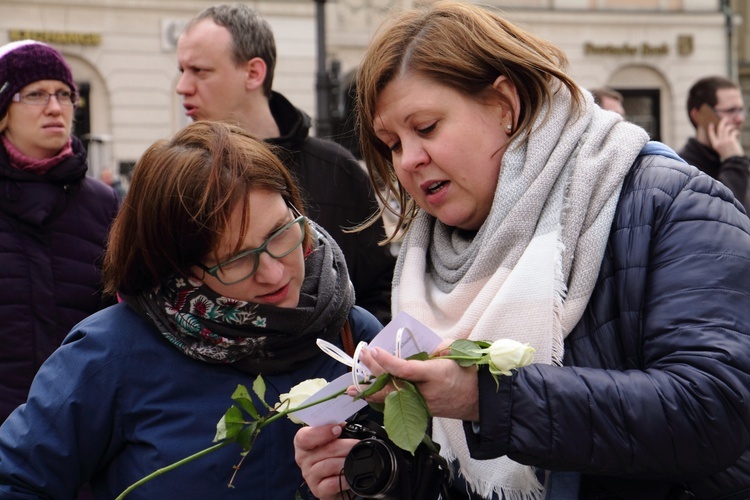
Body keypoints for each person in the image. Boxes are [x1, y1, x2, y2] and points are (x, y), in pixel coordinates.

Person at [293, 2, 750, 499]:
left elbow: (717, 410)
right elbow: (461, 476)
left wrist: (490, 401)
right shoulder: (424, 263)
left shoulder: (668, 200)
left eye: (425, 128)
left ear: (504, 106)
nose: (410, 160)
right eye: (391, 144)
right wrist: (379, 474)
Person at [0, 121, 383, 499]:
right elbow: (16, 482)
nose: (273, 272)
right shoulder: (110, 356)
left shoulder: (352, 334)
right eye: (235, 259)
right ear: (182, 269)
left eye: (279, 232)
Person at [176, 3, 396, 325]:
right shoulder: (177, 184)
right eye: (181, 70)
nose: (183, 86)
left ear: (253, 73)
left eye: (199, 71)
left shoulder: (336, 170)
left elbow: (380, 290)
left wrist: (348, 362)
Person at [0, 40, 119, 423]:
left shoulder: (104, 204)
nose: (55, 107)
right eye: (35, 94)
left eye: (64, 94)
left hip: (82, 432)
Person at [678, 75, 750, 211]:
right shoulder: (682, 169)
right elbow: (723, 217)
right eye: (730, 111)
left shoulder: (732, 163)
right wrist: (735, 163)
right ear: (699, 115)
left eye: (741, 110)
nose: (740, 119)